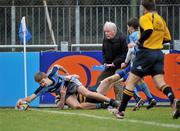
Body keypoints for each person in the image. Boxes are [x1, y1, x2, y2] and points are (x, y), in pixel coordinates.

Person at [113, 0, 180, 119]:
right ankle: (173, 100)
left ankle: (121, 111)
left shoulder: (145, 17)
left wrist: (139, 42)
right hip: (158, 54)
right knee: (160, 84)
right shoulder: (160, 19)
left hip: (146, 53)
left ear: (143, 7)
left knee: (131, 82)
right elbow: (168, 38)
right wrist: (156, 42)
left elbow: (148, 30)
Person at [16, 64, 118, 110]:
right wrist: (21, 100)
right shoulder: (43, 89)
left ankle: (111, 101)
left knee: (87, 93)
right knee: (77, 106)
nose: (42, 84)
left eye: (42, 82)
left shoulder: (52, 72)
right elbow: (30, 98)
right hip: (65, 92)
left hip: (70, 82)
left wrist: (66, 73)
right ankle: (101, 106)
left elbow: (58, 65)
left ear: (45, 76)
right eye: (40, 84)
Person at [95, 21, 128, 101]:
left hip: (121, 66)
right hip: (110, 66)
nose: (106, 33)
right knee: (100, 80)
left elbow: (125, 54)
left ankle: (119, 102)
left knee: (117, 82)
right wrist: (105, 62)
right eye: (105, 32)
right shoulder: (105, 40)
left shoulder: (122, 38)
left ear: (114, 30)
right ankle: (98, 100)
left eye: (108, 31)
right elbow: (104, 52)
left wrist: (115, 63)